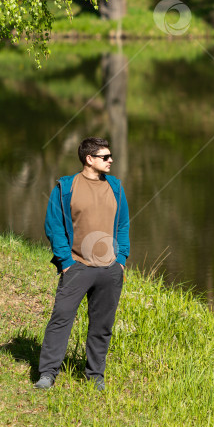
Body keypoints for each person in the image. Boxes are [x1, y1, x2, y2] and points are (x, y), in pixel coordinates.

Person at [34, 137, 130, 391]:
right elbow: (53, 226)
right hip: (77, 267)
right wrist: (66, 262)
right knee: (61, 319)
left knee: (102, 325)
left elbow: (122, 225)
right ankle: (47, 374)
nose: (111, 160)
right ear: (89, 159)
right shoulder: (66, 188)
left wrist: (120, 261)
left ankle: (95, 375)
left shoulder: (116, 188)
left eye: (110, 156)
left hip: (109, 269)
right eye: (105, 157)